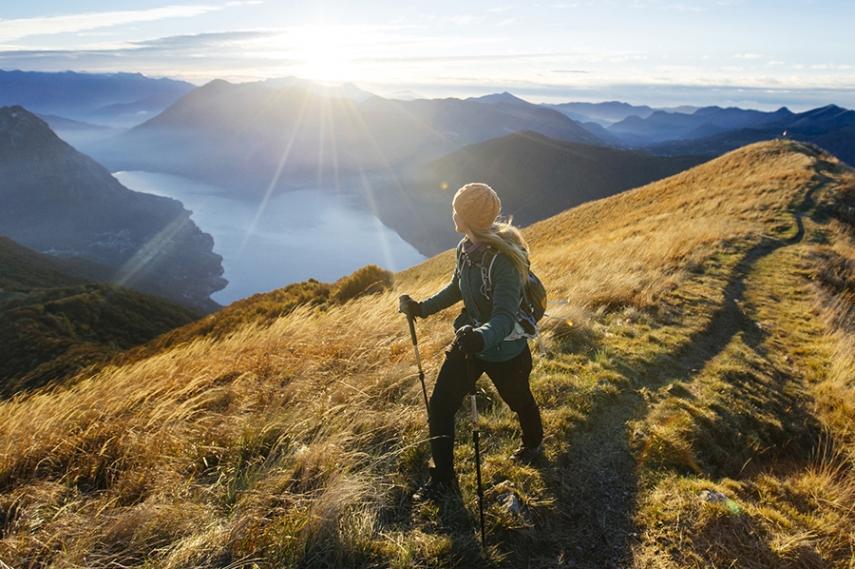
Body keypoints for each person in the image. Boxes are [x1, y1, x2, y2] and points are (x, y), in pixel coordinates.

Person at [399, 182, 545, 502]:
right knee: (440, 406)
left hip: (504, 350)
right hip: (471, 344)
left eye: (457, 211)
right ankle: (443, 480)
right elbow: (456, 288)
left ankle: (533, 444)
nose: (453, 216)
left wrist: (481, 337)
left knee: (519, 400)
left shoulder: (502, 262)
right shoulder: (465, 248)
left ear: (467, 218)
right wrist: (421, 308)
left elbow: (505, 317)